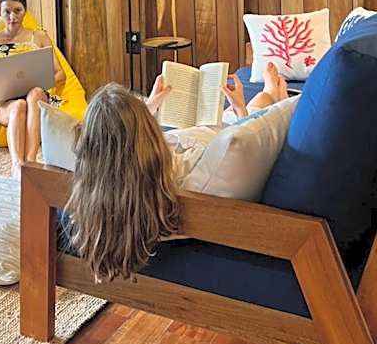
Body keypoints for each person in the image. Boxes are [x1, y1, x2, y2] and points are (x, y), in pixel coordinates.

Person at [65, 62, 290, 282]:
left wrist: (148, 109)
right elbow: (243, 136)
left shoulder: (91, 189)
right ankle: (272, 92)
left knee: (226, 113)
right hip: (212, 136)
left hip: (186, 136)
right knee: (251, 106)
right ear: (148, 134)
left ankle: (268, 94)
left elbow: (120, 150)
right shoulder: (170, 170)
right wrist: (241, 108)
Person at [0, 0, 65, 177]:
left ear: (25, 11)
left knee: (35, 93)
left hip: (35, 96)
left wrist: (43, 81)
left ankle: (31, 160)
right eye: (7, 12)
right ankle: (17, 165)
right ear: (0, 12)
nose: (12, 17)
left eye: (17, 11)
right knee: (19, 106)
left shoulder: (39, 37)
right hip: (3, 102)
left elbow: (60, 74)